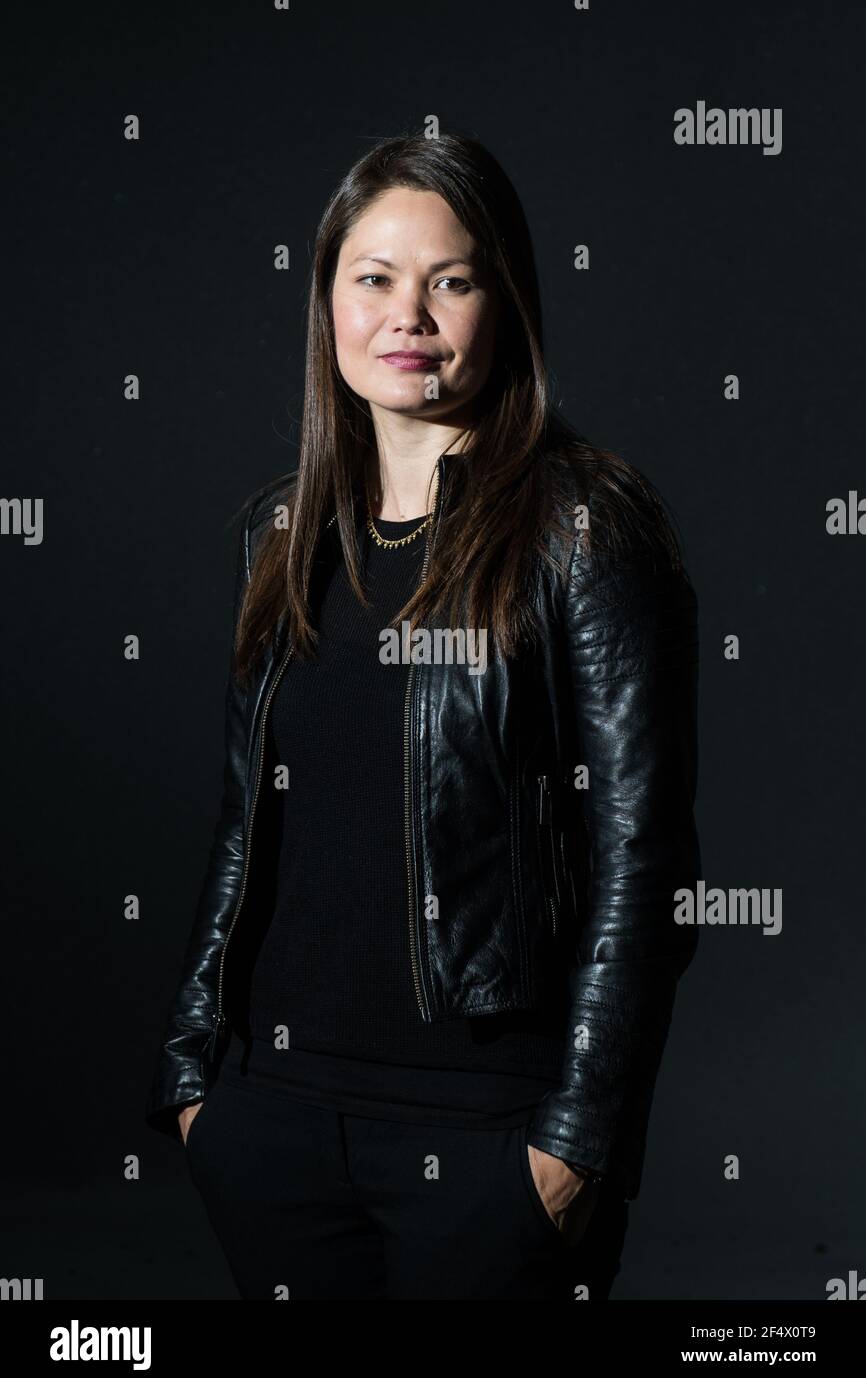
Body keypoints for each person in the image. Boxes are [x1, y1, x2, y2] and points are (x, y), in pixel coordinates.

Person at [144, 131, 701, 1301]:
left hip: (489, 1138)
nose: (410, 314)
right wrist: (195, 1080)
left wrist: (574, 1147)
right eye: (374, 278)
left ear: (502, 303)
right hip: (272, 1124)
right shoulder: (281, 533)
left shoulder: (581, 529)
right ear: (328, 303)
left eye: (449, 279)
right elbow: (245, 826)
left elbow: (641, 860)